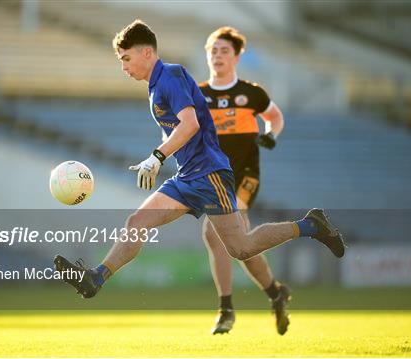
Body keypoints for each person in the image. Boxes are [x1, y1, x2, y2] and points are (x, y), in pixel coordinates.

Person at [53, 20, 345, 307]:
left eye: (126, 58)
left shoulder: (171, 75)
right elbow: (174, 130)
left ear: (147, 52)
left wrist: (157, 157)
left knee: (240, 248)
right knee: (137, 222)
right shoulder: (155, 87)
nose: (124, 67)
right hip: (186, 177)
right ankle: (96, 278)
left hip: (209, 174)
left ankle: (311, 225)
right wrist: (155, 158)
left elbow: (190, 124)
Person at [199, 26, 290, 335]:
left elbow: (275, 117)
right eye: (213, 50)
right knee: (242, 246)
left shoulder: (252, 93)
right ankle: (276, 293)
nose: (218, 56)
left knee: (214, 233)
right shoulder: (198, 96)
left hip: (245, 178)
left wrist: (270, 136)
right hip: (213, 179)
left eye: (224, 51)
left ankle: (225, 309)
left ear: (237, 56)